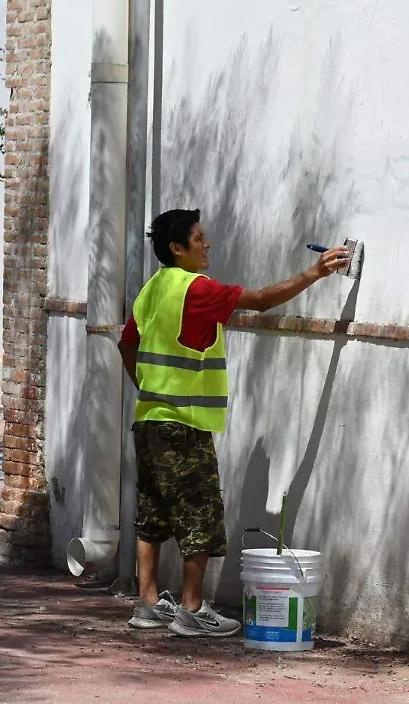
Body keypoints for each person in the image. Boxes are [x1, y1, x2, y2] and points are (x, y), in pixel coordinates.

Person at [116, 208, 349, 637]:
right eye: (200, 238)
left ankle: (147, 603)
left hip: (149, 420)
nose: (208, 245)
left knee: (152, 513)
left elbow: (126, 344)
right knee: (200, 516)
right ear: (177, 248)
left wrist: (148, 389)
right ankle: (191, 610)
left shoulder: (152, 288)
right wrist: (316, 272)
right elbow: (259, 301)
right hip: (183, 425)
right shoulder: (197, 288)